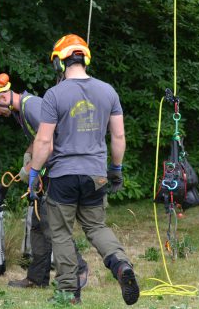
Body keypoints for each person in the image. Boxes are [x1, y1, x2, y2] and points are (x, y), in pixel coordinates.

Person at [27, 34, 140, 305]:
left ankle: (68, 291)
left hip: (63, 176)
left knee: (62, 233)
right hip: (96, 174)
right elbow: (119, 137)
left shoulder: (54, 95)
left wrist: (33, 173)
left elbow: (44, 141)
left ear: (59, 62)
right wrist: (116, 169)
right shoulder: (108, 91)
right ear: (85, 59)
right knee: (96, 226)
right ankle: (121, 265)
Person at [0, 73, 89, 289]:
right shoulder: (23, 113)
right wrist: (28, 157)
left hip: (62, 170)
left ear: (2, 97)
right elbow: (38, 139)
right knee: (38, 224)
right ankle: (37, 279)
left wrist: (30, 169)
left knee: (51, 224)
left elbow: (50, 142)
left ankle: (80, 269)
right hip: (50, 171)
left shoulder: (33, 107)